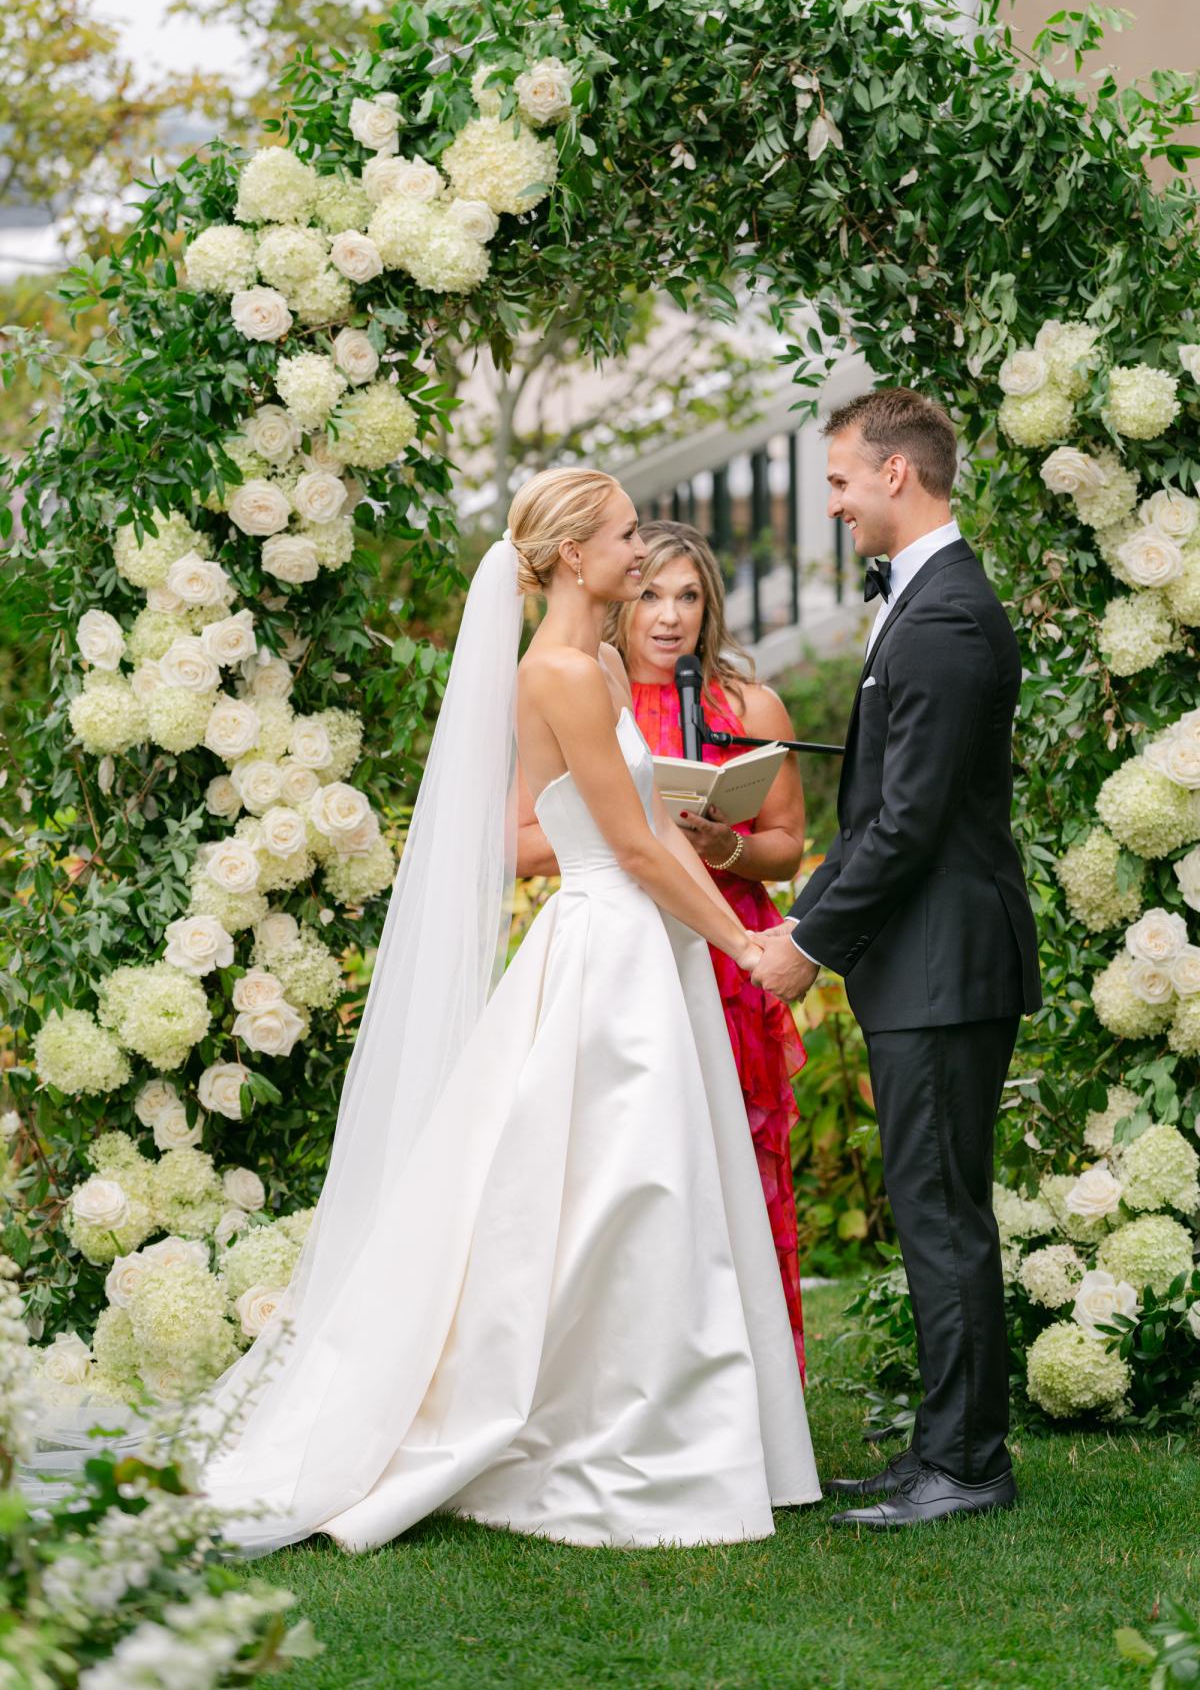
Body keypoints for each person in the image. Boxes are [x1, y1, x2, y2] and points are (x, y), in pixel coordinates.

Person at [195, 465, 820, 1554]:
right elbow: (624, 846)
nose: (642, 553)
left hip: (639, 942)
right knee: (628, 1185)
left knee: (640, 1190)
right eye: (628, 537)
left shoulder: (604, 673)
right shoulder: (565, 676)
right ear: (575, 554)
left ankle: (670, 1413)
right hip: (607, 945)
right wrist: (748, 944)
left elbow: (658, 832)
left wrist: (736, 933)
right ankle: (627, 1432)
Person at [751, 389, 1041, 1530]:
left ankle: (968, 1464)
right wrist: (811, 918)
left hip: (945, 962)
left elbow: (911, 824)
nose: (831, 505)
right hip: (924, 962)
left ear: (896, 478)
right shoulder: (921, 605)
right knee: (935, 1204)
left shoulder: (948, 618)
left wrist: (810, 942)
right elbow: (882, 812)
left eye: (837, 482)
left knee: (939, 1212)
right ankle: (942, 1450)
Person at [515, 521, 810, 1377]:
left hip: (727, 944)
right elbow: (535, 838)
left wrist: (729, 850)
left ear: (709, 606)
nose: (669, 615)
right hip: (634, 937)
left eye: (688, 596)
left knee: (741, 1150)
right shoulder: (582, 690)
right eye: (651, 592)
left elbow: (789, 842)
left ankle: (758, 1375)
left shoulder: (749, 709)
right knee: (645, 1161)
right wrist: (617, 835)